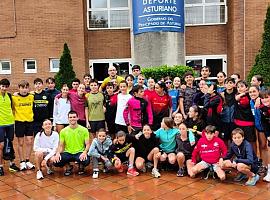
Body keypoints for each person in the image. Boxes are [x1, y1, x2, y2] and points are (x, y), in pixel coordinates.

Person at [53, 111, 90, 176]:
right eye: (70, 117)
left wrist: (85, 152)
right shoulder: (63, 131)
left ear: (77, 118)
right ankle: (68, 167)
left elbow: (87, 144)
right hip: (68, 152)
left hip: (79, 152)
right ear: (68, 119)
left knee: (86, 161)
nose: (72, 119)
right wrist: (58, 153)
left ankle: (81, 166)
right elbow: (61, 145)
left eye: (74, 117)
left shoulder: (84, 130)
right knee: (56, 161)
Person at [12, 80, 35, 171]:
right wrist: (15, 94)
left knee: (29, 141)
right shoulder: (14, 97)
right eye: (22, 88)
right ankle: (22, 162)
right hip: (19, 122)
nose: (24, 90)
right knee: (20, 143)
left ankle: (27, 160)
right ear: (19, 88)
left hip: (29, 122)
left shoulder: (31, 96)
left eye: (26, 87)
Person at [0, 79, 20, 175]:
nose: (4, 88)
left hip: (10, 123)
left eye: (6, 86)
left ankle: (12, 164)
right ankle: (0, 167)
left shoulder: (9, 96)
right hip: (0, 124)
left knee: (10, 143)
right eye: (2, 86)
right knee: (1, 146)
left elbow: (12, 107)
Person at [234, 80, 256, 150]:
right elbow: (236, 98)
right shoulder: (236, 96)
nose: (239, 88)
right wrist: (241, 94)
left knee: (251, 143)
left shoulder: (250, 96)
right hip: (238, 123)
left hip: (249, 124)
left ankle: (254, 159)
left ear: (246, 88)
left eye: (242, 86)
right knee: (239, 143)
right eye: (238, 87)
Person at [256, 89, 270, 182]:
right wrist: (268, 135)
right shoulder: (261, 108)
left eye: (267, 97)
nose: (264, 100)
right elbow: (264, 123)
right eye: (262, 98)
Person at [220, 77, 237, 145]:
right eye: (227, 83)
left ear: (234, 84)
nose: (229, 84)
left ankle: (235, 155)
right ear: (224, 85)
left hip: (234, 121)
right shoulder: (221, 95)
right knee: (225, 140)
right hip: (224, 121)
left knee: (234, 139)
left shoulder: (237, 94)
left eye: (231, 83)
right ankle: (226, 154)